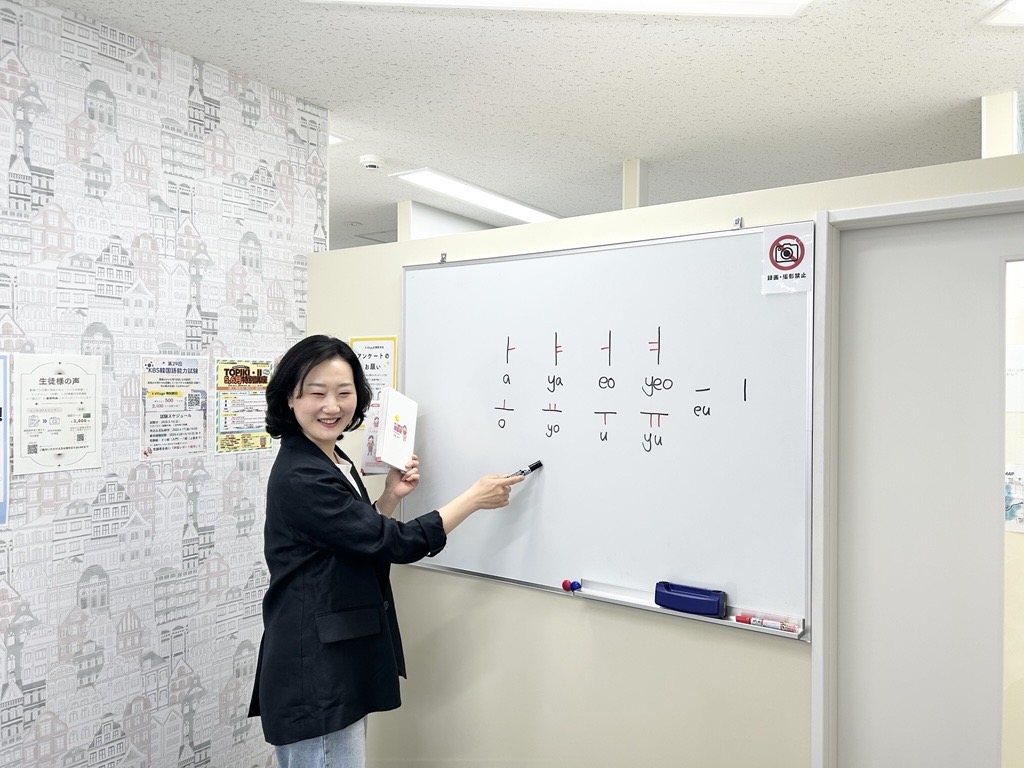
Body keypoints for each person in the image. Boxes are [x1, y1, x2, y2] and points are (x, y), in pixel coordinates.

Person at [248, 335, 523, 768]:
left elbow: (351, 539)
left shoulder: (331, 458)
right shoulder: (302, 474)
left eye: (344, 392)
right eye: (316, 393)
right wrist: (472, 499)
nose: (332, 406)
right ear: (290, 397)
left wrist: (389, 498)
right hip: (315, 670)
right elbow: (396, 543)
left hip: (333, 656)